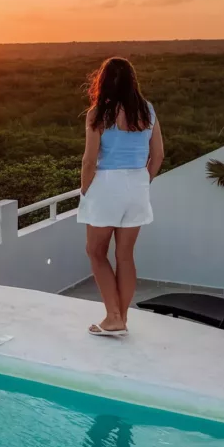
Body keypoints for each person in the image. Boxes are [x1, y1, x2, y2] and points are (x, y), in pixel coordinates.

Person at [77, 57, 164, 337]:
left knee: (95, 252)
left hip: (106, 185)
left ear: (102, 81)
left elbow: (89, 161)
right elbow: (158, 155)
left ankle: (113, 317)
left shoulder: (98, 114)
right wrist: (143, 180)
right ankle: (121, 318)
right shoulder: (147, 111)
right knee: (125, 256)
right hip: (137, 184)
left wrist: (85, 190)